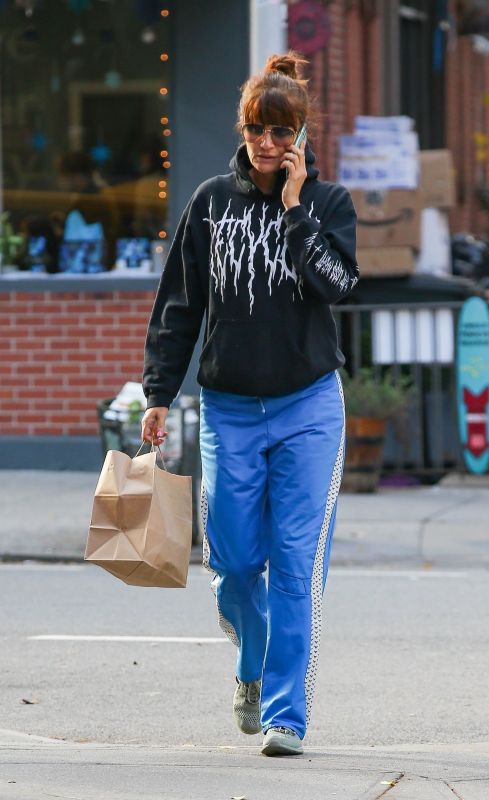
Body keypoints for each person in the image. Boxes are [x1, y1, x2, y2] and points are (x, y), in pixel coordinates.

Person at [141, 51, 359, 757]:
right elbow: (180, 304)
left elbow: (337, 286)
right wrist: (158, 392)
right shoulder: (209, 203)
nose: (266, 143)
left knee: (295, 564)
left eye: (280, 130)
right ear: (242, 127)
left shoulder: (329, 204)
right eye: (255, 128)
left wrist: (295, 212)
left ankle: (285, 715)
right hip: (229, 409)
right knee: (232, 563)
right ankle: (251, 664)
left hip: (307, 408)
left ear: (300, 131)